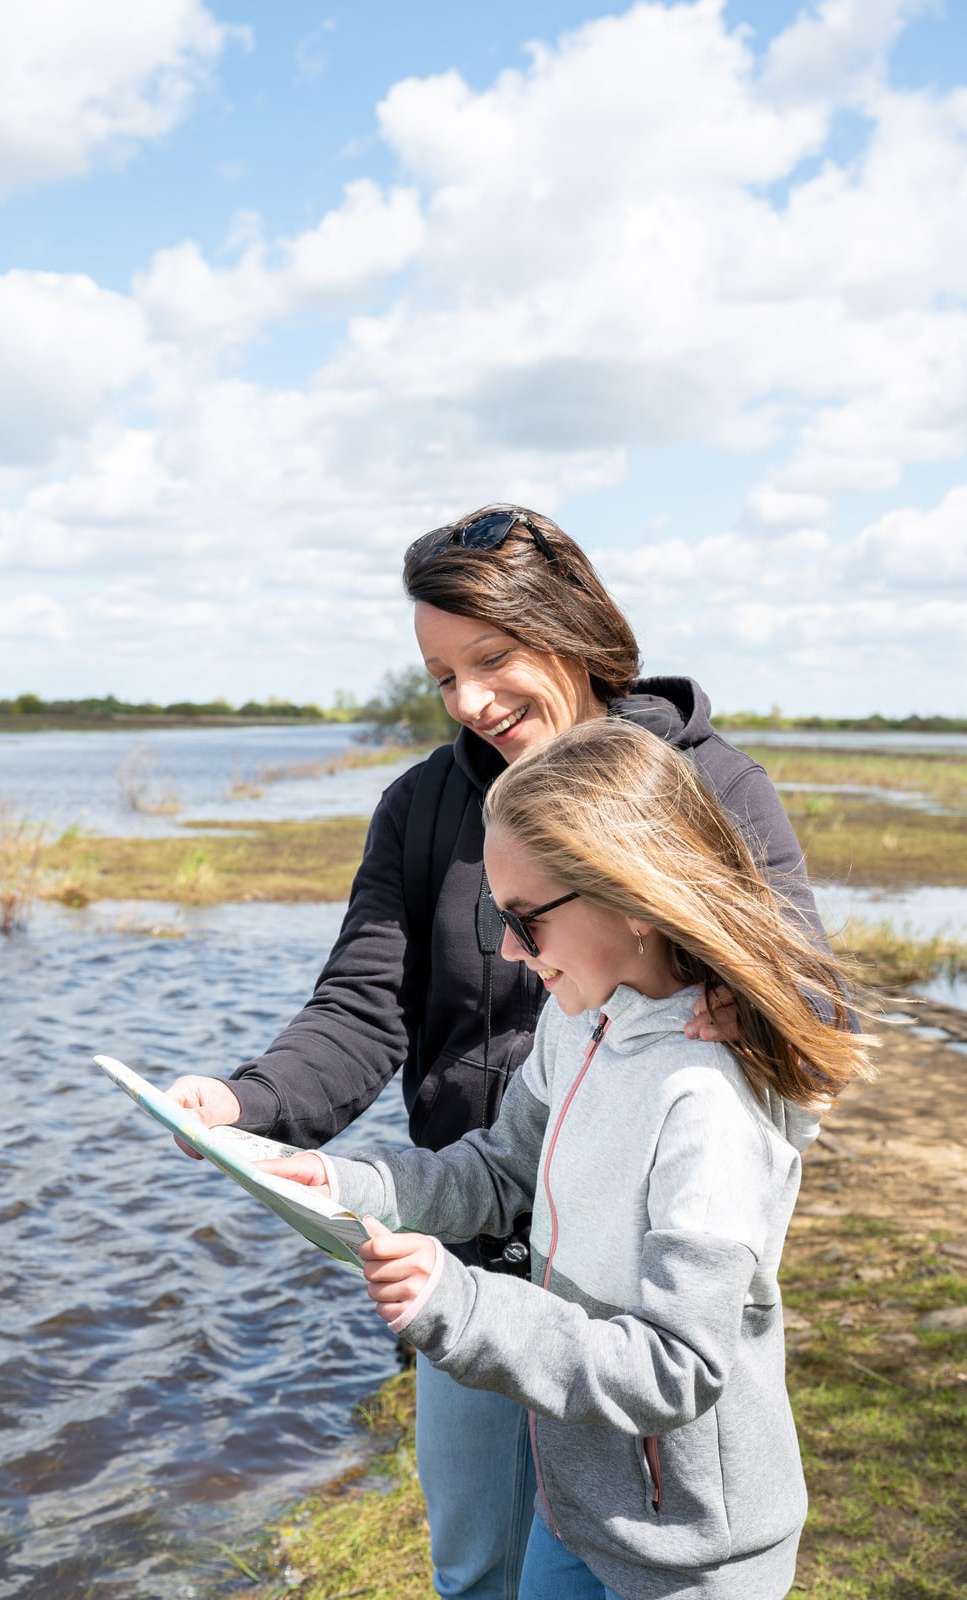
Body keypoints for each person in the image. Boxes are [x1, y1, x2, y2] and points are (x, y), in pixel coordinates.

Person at [166, 504, 829, 1600]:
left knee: (629, 1524)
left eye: (492, 658)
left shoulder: (711, 792)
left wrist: (745, 1008)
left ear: (565, 630)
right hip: (469, 1241)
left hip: (629, 1275)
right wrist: (251, 1110)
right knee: (487, 1563)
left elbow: (803, 994)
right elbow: (365, 1005)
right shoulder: (427, 807)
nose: (470, 701)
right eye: (441, 677)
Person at [258, 718, 873, 1600]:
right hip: (575, 1502)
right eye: (495, 917)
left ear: (633, 899)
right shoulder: (578, 1019)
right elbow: (503, 1168)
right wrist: (346, 1183)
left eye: (523, 921)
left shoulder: (704, 1101)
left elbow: (677, 1366)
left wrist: (458, 1304)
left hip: (684, 1555)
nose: (507, 950)